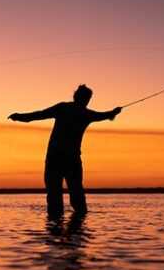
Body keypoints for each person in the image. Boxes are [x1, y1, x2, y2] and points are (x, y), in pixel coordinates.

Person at [9, 84, 121, 216]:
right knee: (75, 193)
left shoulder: (66, 109)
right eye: (87, 98)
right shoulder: (84, 114)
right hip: (67, 159)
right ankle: (76, 224)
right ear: (81, 98)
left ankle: (57, 223)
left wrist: (19, 117)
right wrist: (114, 112)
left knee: (56, 193)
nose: (87, 100)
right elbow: (105, 115)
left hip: (58, 158)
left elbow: (39, 115)